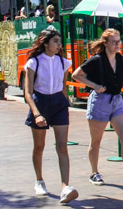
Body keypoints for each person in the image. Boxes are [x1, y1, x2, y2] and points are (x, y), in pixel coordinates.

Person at [71, 29, 123, 188]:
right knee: (96, 141)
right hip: (100, 101)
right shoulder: (96, 60)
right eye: (114, 42)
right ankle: (94, 172)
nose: (117, 45)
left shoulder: (122, 59)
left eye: (119, 41)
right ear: (105, 43)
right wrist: (95, 86)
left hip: (117, 100)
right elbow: (76, 75)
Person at [23, 29, 78, 204]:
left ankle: (65, 188)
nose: (59, 45)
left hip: (58, 104)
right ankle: (39, 181)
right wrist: (37, 113)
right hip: (40, 103)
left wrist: (64, 102)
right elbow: (28, 93)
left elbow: (63, 86)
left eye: (59, 41)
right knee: (39, 146)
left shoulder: (63, 63)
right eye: (55, 41)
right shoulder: (34, 62)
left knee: (62, 146)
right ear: (45, 43)